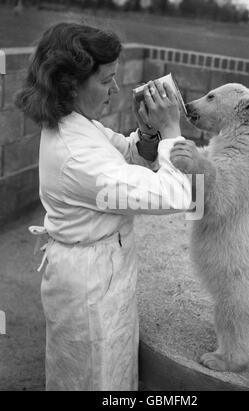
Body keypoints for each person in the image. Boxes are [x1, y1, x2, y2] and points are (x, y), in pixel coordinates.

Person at [15, 22, 196, 391]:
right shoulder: (77, 155)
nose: (115, 89)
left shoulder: (78, 125)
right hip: (89, 286)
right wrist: (172, 129)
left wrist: (147, 133)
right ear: (69, 83)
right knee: (95, 377)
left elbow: (125, 152)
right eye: (106, 80)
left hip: (98, 270)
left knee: (106, 371)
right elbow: (174, 195)